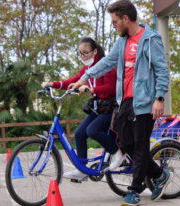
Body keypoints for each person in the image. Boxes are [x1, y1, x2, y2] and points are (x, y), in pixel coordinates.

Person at [70, 0, 172, 206]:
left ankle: (134, 190)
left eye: (115, 21)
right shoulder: (123, 42)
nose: (114, 25)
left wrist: (159, 98)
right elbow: (107, 62)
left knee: (140, 145)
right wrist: (83, 78)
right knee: (124, 144)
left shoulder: (150, 39)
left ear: (126, 19)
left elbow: (162, 71)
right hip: (124, 100)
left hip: (145, 101)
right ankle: (159, 174)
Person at [41, 37, 125, 181]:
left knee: (92, 130)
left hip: (112, 107)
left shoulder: (105, 66)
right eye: (80, 53)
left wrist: (91, 89)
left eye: (85, 53)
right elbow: (71, 81)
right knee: (79, 133)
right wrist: (52, 84)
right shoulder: (87, 68)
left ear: (95, 51)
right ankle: (82, 169)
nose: (83, 56)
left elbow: (112, 88)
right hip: (100, 107)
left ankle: (117, 153)